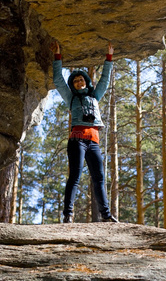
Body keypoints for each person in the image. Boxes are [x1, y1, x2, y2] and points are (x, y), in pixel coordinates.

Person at [50, 41, 118, 223]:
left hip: (94, 142)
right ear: (72, 85)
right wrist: (58, 56)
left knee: (99, 179)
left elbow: (104, 79)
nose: (79, 82)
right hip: (77, 140)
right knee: (75, 176)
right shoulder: (70, 97)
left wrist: (109, 58)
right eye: (75, 81)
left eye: (81, 79)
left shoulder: (95, 96)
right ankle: (68, 214)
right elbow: (58, 79)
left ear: (86, 81)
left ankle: (106, 215)